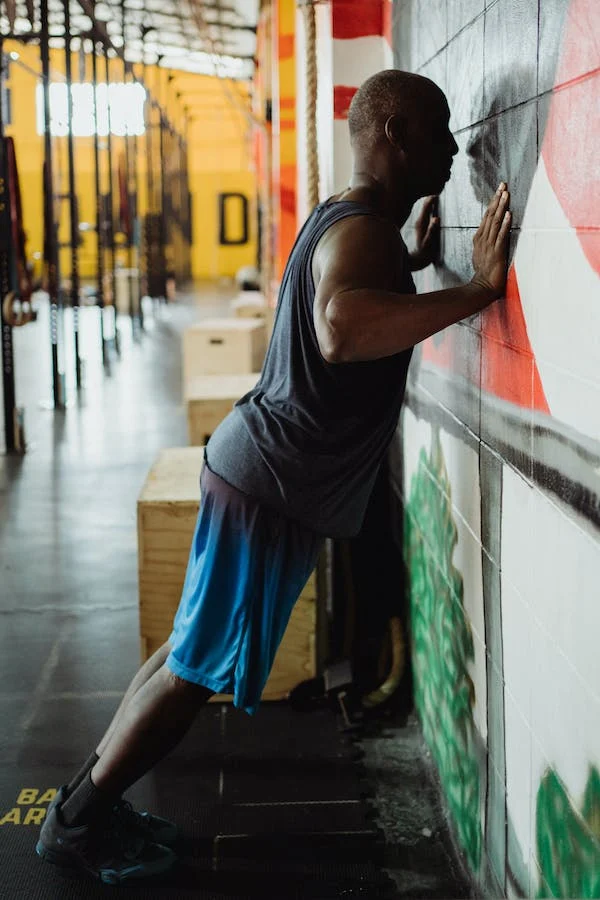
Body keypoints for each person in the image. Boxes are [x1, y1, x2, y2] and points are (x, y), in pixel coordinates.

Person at [36, 69, 511, 884]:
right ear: (394, 133)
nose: (453, 147)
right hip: (271, 483)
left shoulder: (354, 220)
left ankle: (88, 804)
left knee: (188, 651)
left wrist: (414, 260)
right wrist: (476, 289)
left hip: (255, 470)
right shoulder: (363, 232)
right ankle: (76, 824)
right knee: (194, 670)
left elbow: (352, 291)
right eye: (437, 129)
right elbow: (340, 327)